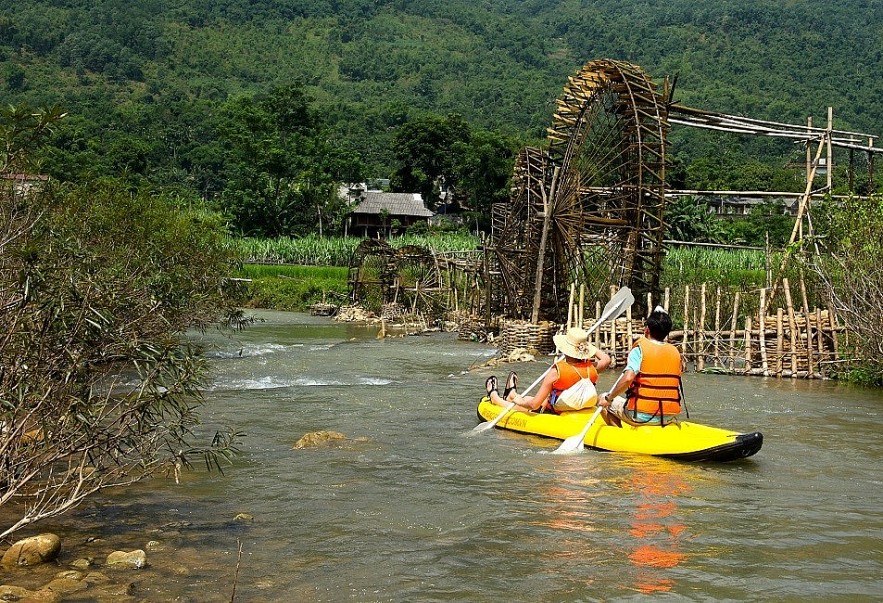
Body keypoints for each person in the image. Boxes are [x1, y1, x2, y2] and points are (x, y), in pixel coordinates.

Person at [485, 326, 611, 413]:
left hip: (556, 409)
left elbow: (534, 404)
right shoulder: (592, 368)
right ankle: (511, 394)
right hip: (577, 405)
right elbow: (606, 359)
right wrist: (589, 347)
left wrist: (519, 402)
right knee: (535, 399)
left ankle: (496, 398)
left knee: (534, 405)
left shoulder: (556, 371)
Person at [597, 306, 682, 426]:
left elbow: (628, 378)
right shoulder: (676, 352)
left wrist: (608, 399)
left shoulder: (639, 349)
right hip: (669, 416)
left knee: (603, 397)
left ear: (647, 330)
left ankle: (618, 435)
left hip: (642, 415)